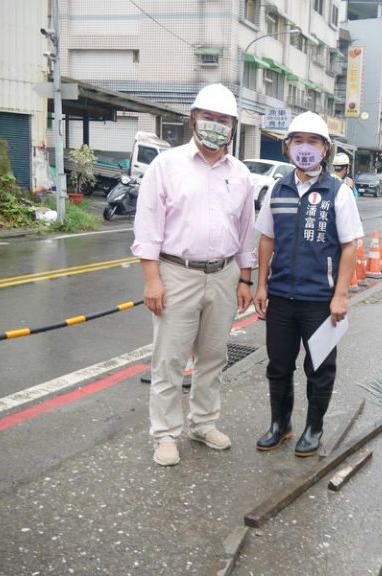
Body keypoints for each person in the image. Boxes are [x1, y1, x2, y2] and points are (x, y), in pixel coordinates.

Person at [132, 83, 256, 466]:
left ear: (233, 127)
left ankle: (203, 423)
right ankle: (165, 434)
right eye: (209, 118)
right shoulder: (166, 166)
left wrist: (245, 279)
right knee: (169, 358)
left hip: (223, 274)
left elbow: (245, 232)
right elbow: (148, 228)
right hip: (176, 273)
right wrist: (152, 280)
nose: (215, 126)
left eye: (223, 120)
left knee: (214, 356)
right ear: (193, 121)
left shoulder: (241, 174)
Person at [253, 111, 363, 457]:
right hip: (282, 298)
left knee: (319, 369)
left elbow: (350, 246)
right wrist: (260, 286)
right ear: (287, 148)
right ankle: (280, 425)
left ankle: (314, 429)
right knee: (279, 366)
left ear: (325, 150)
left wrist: (340, 295)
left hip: (320, 301)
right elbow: (266, 240)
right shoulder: (277, 189)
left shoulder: (338, 193)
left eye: (312, 141)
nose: (305, 148)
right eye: (297, 141)